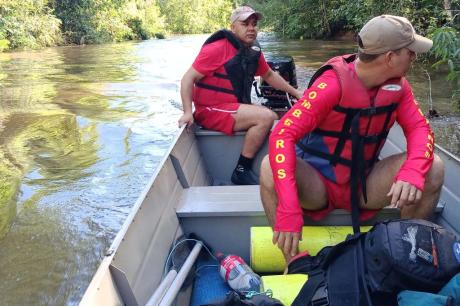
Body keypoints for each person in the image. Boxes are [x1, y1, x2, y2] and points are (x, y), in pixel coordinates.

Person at [259, 15, 445, 262]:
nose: (414, 56)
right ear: (389, 58)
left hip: (364, 184)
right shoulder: (332, 84)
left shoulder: (399, 88)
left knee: (433, 167)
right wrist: (289, 208)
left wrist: (412, 171)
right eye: (409, 51)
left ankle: (407, 255)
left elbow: (421, 130)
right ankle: (294, 261)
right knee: (268, 167)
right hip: (318, 185)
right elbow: (282, 134)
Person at [178, 5, 303, 185]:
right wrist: (187, 111)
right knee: (266, 116)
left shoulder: (252, 51)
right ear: (233, 27)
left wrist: (295, 92)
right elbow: (187, 79)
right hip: (210, 111)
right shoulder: (216, 49)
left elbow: (269, 75)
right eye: (245, 23)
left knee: (271, 115)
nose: (251, 28)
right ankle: (241, 170)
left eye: (254, 24)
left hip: (231, 108)